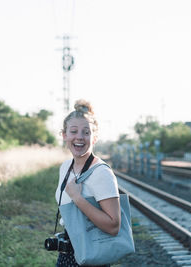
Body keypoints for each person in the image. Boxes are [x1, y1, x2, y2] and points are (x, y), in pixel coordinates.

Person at [55, 100, 121, 267]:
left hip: (92, 253)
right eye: (73, 131)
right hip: (68, 253)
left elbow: (114, 226)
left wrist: (78, 198)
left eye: (86, 132)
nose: (79, 137)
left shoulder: (101, 173)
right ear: (64, 135)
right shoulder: (65, 167)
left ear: (94, 138)